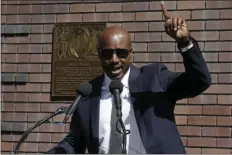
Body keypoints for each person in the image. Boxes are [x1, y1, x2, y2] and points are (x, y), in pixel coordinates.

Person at [46, 1, 211, 154]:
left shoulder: (154, 78)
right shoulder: (88, 93)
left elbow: (200, 81)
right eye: (107, 53)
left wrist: (185, 43)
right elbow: (75, 140)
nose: (114, 60)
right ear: (99, 55)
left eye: (121, 53)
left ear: (131, 54)